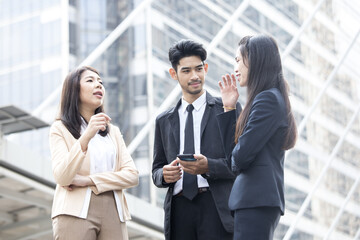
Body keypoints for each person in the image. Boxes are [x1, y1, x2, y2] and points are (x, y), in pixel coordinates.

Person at [152, 39, 241, 240]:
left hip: (216, 206)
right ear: (173, 74)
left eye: (198, 69)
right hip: (179, 210)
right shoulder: (164, 120)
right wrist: (164, 175)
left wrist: (208, 166)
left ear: (206, 68)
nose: (194, 76)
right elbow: (156, 170)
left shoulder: (226, 108)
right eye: (186, 71)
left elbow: (239, 163)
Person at [217, 34, 297, 239]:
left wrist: (236, 157)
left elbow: (239, 158)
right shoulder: (270, 98)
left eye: (237, 60)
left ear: (254, 60)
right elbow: (233, 158)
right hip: (255, 201)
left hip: (255, 200)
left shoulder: (267, 99)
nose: (235, 67)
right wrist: (229, 107)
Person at [49, 66, 139, 239]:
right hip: (74, 211)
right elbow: (62, 177)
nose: (98, 85)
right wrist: (86, 136)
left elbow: (132, 176)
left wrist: (87, 180)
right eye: (90, 80)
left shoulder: (112, 131)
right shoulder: (59, 128)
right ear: (74, 89)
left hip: (114, 210)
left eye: (100, 82)